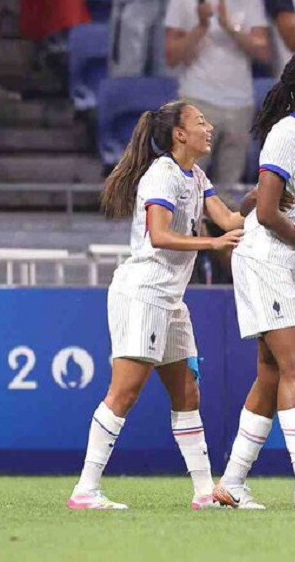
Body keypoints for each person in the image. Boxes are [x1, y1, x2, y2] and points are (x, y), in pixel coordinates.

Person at [67, 101, 245, 510]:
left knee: (187, 393)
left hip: (171, 299)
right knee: (124, 393)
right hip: (143, 293)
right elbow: (160, 236)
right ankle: (85, 490)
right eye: (201, 121)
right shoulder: (161, 176)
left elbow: (231, 220)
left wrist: (266, 200)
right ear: (179, 134)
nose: (210, 127)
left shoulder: (197, 176)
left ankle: (204, 493)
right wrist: (212, 243)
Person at [214, 51, 295, 510]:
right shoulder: (285, 136)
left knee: (271, 374)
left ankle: (231, 483)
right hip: (268, 258)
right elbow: (268, 213)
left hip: (292, 264)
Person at [165, 0, 272, 195]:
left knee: (228, 190)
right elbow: (171, 56)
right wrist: (202, 26)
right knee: (185, 184)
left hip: (240, 103)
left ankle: (218, 228)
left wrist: (229, 26)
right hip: (197, 100)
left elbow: (264, 53)